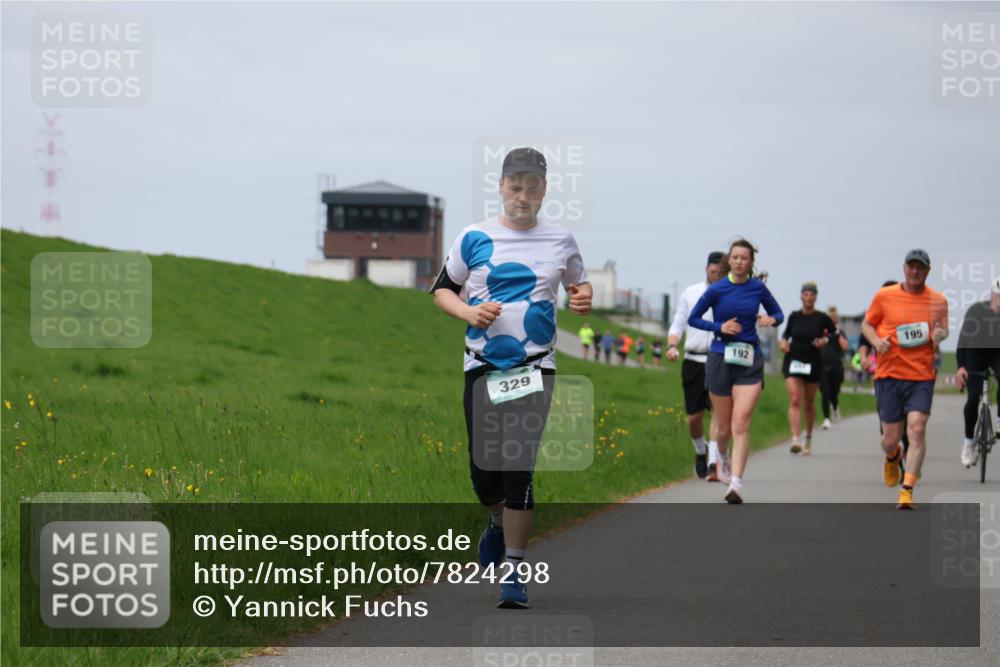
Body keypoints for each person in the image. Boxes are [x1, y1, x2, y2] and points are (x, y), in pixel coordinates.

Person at [431, 147, 592, 607]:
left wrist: (582, 298)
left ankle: (515, 572)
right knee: (485, 475)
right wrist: (468, 310)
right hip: (482, 366)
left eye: (532, 187)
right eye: (515, 186)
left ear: (545, 191)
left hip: (535, 367)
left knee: (519, 468)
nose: (523, 195)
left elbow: (578, 283)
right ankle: (496, 523)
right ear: (501, 187)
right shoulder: (473, 237)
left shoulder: (561, 239)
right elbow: (443, 289)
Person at [688, 239, 783, 503]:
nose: (740, 262)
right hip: (720, 358)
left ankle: (736, 486)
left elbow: (778, 313)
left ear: (751, 262)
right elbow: (693, 318)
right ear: (729, 261)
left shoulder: (757, 288)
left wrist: (769, 318)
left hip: (749, 360)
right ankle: (724, 458)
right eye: (736, 257)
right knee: (722, 428)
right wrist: (720, 327)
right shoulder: (717, 289)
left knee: (741, 423)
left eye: (745, 258)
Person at [860, 250, 948, 510]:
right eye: (911, 266)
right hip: (889, 374)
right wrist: (877, 341)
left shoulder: (938, 300)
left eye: (920, 268)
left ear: (927, 271)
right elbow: (867, 325)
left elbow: (943, 330)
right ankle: (892, 455)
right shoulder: (885, 296)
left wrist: (940, 336)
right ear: (904, 268)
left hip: (921, 376)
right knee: (890, 437)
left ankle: (907, 490)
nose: (914, 272)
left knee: (917, 429)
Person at [667, 250, 725, 479]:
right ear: (706, 269)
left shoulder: (729, 294)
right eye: (713, 271)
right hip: (693, 360)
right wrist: (672, 346)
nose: (716, 275)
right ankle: (701, 451)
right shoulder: (691, 293)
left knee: (719, 414)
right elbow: (678, 323)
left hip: (719, 360)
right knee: (694, 416)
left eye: (720, 272)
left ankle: (714, 462)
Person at [780, 282, 836, 455]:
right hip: (794, 359)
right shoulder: (794, 316)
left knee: (808, 402)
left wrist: (824, 341)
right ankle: (795, 438)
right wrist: (783, 342)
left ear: (816, 297)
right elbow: (786, 334)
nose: (809, 297)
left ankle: (808, 436)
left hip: (812, 361)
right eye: (806, 294)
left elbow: (834, 333)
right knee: (796, 399)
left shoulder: (822, 317)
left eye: (812, 295)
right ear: (801, 296)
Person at [955, 277, 1000, 467]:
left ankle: (999, 420)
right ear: (992, 295)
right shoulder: (976, 310)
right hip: (975, 353)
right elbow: (963, 341)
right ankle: (969, 444)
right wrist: (961, 367)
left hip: (997, 354)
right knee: (973, 397)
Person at [819, 306, 849, 430]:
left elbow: (845, 346)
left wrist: (837, 332)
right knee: (825, 393)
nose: (832, 320)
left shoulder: (839, 332)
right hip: (821, 366)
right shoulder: (821, 331)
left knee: (834, 392)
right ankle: (826, 418)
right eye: (830, 318)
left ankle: (835, 407)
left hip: (836, 366)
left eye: (834, 318)